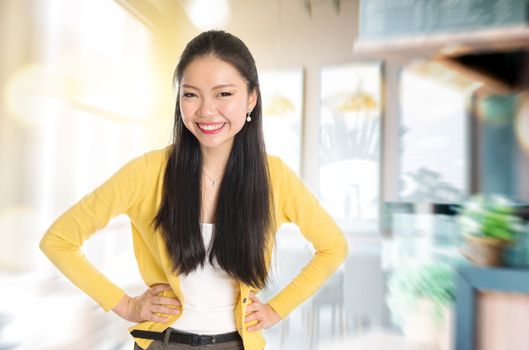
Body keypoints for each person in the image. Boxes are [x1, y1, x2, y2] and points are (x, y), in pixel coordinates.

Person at [40, 30, 348, 350]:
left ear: (251, 98)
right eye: (191, 95)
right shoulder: (147, 172)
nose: (206, 111)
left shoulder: (275, 177)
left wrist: (276, 309)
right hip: (162, 343)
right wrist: (126, 305)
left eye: (224, 94)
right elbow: (59, 240)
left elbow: (332, 247)